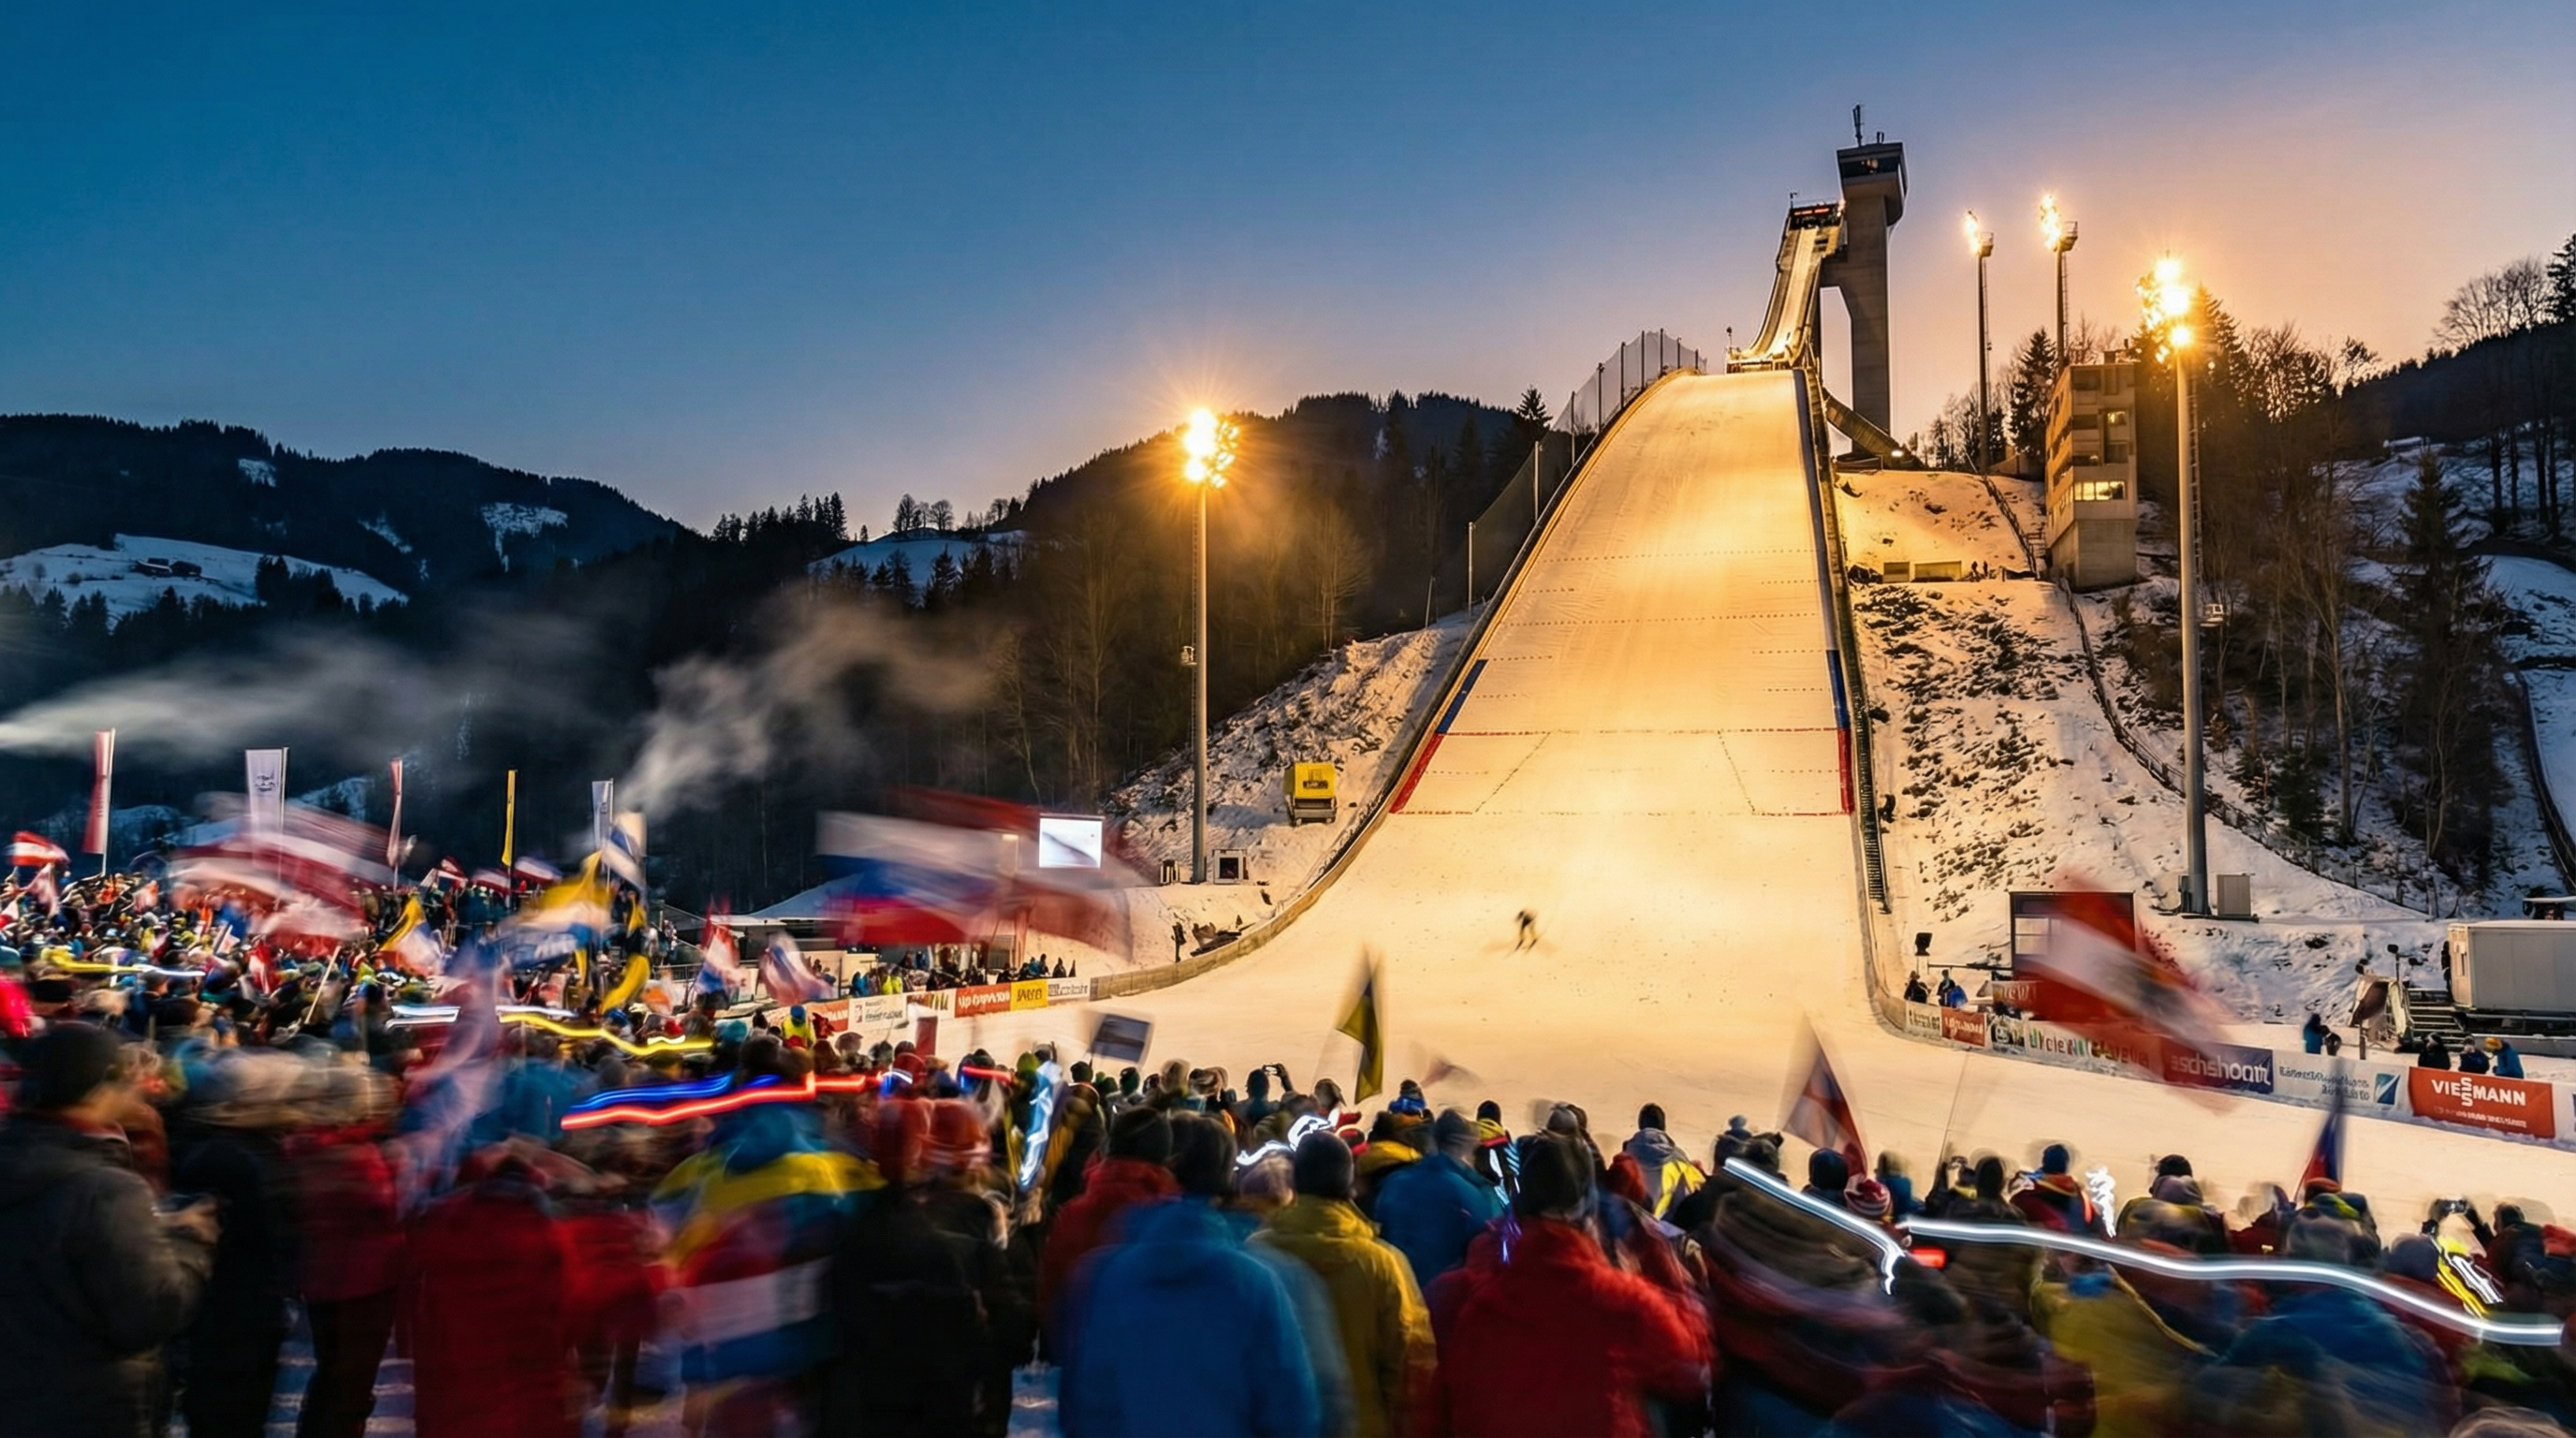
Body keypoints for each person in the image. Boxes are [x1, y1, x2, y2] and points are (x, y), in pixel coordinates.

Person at [0, 1023, 218, 1438]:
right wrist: (189, 1240)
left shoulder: (18, 1161)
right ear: (102, 1088)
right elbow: (151, 1312)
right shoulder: (107, 1190)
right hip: (88, 1403)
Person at [1422, 1133, 1710, 1437]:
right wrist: (1652, 1273)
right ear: (1587, 1214)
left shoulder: (1474, 1306)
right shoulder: (1622, 1302)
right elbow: (1689, 1361)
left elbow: (1439, 1412)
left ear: (1520, 1212)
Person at [1057, 1116, 1323, 1438]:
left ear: (1168, 1166)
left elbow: (1088, 1398)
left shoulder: (1108, 1274)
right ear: (1226, 1177)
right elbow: (1290, 1406)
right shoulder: (1258, 1279)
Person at [1252, 1132, 1436, 1438]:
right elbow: (1409, 1362)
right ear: (1350, 1185)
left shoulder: (1256, 1255)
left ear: (1295, 1182)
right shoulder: (1384, 1263)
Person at [1374, 1108, 1504, 1290]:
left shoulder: (1395, 1182)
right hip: (1443, 1299)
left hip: (1396, 1292)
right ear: (1466, 1146)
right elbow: (1490, 1246)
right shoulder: (1471, 1193)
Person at [1617, 1104, 1705, 1222]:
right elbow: (1687, 1198)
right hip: (1665, 1230)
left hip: (1627, 1228)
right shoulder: (1679, 1161)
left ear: (1640, 1125)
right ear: (1663, 1126)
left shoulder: (1624, 1158)